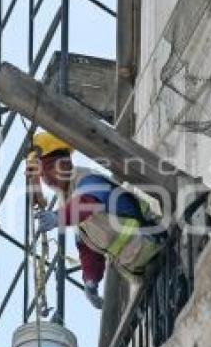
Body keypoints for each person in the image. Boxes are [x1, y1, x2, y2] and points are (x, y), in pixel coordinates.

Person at [25, 131, 164, 309]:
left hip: (155, 246)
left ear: (66, 163)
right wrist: (90, 281)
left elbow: (88, 202)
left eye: (51, 168)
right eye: (43, 175)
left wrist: (58, 217)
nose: (48, 179)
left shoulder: (86, 179)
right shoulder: (70, 204)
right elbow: (88, 251)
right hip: (140, 270)